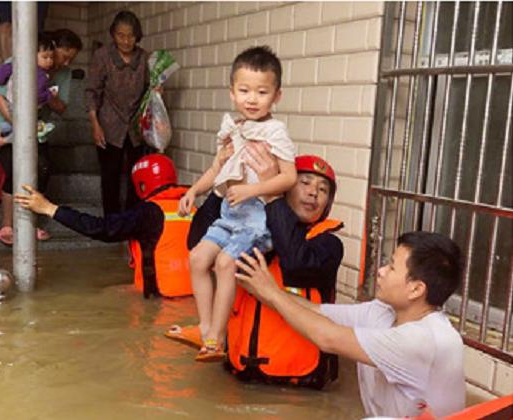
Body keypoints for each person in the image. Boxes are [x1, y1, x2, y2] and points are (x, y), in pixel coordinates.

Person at [235, 231, 465, 418]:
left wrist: (273, 294)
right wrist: (263, 287)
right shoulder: (383, 312)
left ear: (416, 289)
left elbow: (327, 338)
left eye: (392, 267)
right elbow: (315, 312)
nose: (381, 271)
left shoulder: (423, 339)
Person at [169, 146, 344, 388]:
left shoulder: (329, 244)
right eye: (304, 183)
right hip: (238, 378)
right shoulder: (252, 230)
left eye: (323, 190)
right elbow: (196, 242)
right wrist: (222, 183)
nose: (313, 192)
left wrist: (272, 196)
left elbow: (295, 263)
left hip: (299, 385)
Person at [176, 46, 297, 362]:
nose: (252, 99)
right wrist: (193, 190)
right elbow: (217, 169)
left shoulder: (275, 131)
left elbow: (289, 177)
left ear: (277, 96)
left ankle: (217, 338)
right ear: (232, 93)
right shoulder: (234, 128)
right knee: (197, 258)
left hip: (256, 220)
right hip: (229, 215)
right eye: (244, 91)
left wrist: (252, 189)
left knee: (224, 263)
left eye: (262, 92)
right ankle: (204, 329)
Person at [14, 154, 195, 299]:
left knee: (105, 294)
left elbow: (99, 228)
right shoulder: (193, 210)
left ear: (141, 185)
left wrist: (49, 208)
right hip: (196, 295)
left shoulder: (146, 213)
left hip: (161, 298)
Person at [0, 28, 82, 246]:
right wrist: (18, 126)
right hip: (2, 122)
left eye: (71, 59)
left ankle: (30, 223)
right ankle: (7, 225)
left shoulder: (63, 73)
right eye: (64, 56)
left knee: (43, 168)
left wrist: (45, 94)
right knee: (14, 169)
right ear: (51, 47)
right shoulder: (22, 60)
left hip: (35, 129)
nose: (66, 63)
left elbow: (61, 107)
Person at [86, 10, 153, 216]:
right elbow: (92, 91)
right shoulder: (103, 56)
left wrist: (157, 91)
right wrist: (95, 124)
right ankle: (112, 222)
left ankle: (132, 220)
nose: (126, 41)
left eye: (130, 36)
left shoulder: (144, 58)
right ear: (113, 35)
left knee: (136, 174)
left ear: (137, 36)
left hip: (136, 126)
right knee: (110, 176)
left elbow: (150, 90)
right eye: (121, 35)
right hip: (109, 124)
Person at [0, 33, 57, 150]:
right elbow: (38, 96)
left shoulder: (18, 63)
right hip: (24, 107)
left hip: (11, 102)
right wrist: (50, 94)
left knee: (18, 125)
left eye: (52, 58)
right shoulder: (41, 75)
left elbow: (4, 70)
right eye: (45, 57)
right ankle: (4, 140)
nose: (49, 61)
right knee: (29, 130)